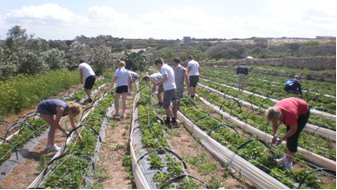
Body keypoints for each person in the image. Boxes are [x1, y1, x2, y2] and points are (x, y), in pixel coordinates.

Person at [266, 97, 310, 170]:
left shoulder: (289, 114)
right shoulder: (273, 111)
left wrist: (282, 139)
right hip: (292, 105)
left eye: (276, 120)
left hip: (303, 111)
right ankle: (286, 157)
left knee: (293, 137)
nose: (275, 122)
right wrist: (274, 136)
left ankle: (289, 162)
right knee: (289, 135)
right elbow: (275, 124)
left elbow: (293, 129)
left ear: (280, 117)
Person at [154, 57, 179, 128]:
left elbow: (166, 78)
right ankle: (168, 119)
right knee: (172, 104)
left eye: (157, 65)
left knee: (166, 106)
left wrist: (159, 82)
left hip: (168, 89)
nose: (158, 67)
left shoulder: (163, 68)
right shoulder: (169, 67)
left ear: (159, 63)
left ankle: (174, 121)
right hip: (173, 88)